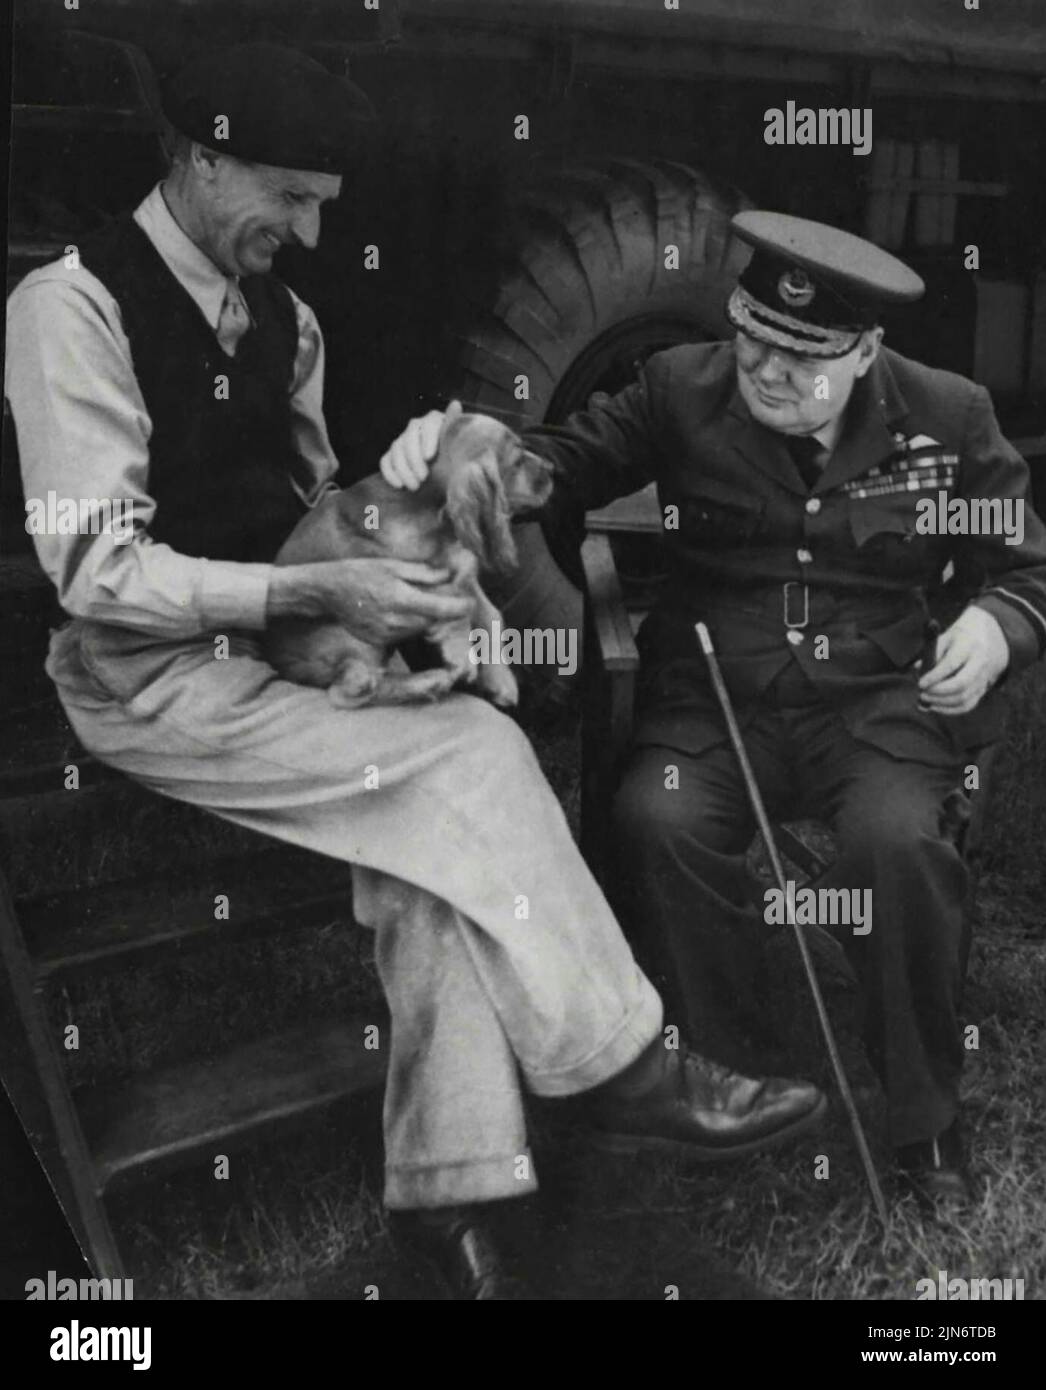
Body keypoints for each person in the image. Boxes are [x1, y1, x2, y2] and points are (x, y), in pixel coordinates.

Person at [5, 46, 824, 1301]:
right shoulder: (71, 308)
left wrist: (407, 501)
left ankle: (459, 1200)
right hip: (148, 674)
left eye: (325, 200)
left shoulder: (291, 321)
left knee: (433, 844)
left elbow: (311, 503)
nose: (314, 227)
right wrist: (316, 594)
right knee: (466, 761)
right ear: (203, 158)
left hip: (293, 655)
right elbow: (91, 570)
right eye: (291, 195)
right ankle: (619, 1065)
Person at [383, 211, 1046, 1211]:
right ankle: (733, 1082)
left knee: (896, 844)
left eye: (799, 358)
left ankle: (923, 1122)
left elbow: (1026, 560)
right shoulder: (678, 386)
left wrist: (996, 625)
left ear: (864, 352)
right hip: (710, 692)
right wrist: (467, 447)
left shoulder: (944, 415)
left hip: (872, 709)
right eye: (752, 340)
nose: (765, 372)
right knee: (654, 820)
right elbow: (561, 459)